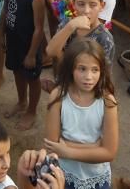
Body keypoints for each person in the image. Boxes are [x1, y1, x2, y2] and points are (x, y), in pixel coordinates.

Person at [44, 39, 118, 189]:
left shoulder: (107, 102)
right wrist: (95, 147)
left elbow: (109, 153)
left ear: (102, 70)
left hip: (96, 177)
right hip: (63, 174)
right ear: (71, 69)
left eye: (95, 70)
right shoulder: (58, 96)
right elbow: (52, 146)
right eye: (82, 69)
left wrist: (67, 150)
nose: (89, 77)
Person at [2, 0, 46, 130]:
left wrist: (31, 54)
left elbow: (39, 28)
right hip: (13, 40)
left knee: (32, 79)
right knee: (17, 72)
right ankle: (21, 101)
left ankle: (32, 110)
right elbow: (6, 9)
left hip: (29, 45)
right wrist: (3, 36)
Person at [46, 0, 115, 67]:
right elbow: (50, 52)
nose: (86, 11)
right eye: (81, 4)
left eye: (93, 5)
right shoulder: (68, 23)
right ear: (73, 5)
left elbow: (104, 74)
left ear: (102, 6)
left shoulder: (104, 38)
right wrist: (70, 27)